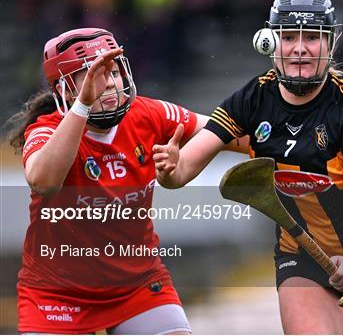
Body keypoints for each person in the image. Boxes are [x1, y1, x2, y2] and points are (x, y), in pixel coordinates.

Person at [153, 0, 343, 334]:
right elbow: (183, 171)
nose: (300, 47)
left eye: (312, 37)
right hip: (302, 254)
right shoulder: (252, 99)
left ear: (329, 44)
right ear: (272, 43)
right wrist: (169, 169)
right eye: (288, 36)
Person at [7, 28, 238, 334]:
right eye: (92, 75)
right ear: (64, 90)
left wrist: (286, 144)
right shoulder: (47, 129)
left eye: (113, 72)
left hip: (137, 287)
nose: (108, 84)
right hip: (56, 293)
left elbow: (228, 132)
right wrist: (83, 106)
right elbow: (43, 181)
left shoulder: (150, 114)